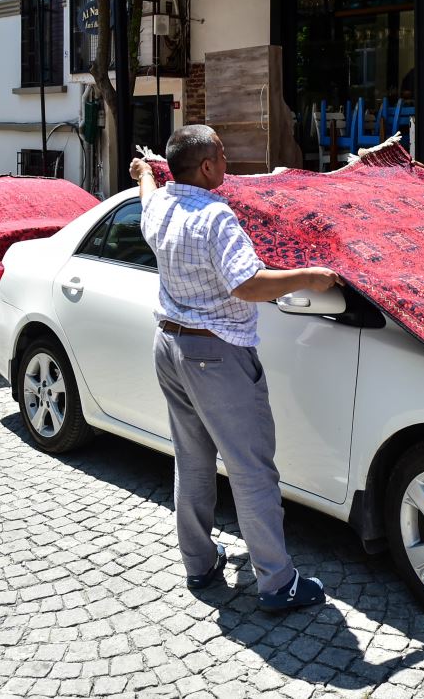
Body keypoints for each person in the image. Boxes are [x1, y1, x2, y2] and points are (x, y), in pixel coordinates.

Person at [129, 124, 341, 613]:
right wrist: (312, 275)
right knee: (251, 471)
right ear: (206, 167)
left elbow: (147, 193)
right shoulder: (215, 217)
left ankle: (200, 563)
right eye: (222, 155)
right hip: (217, 355)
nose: (228, 163)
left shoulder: (160, 205)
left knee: (192, 459)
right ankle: (277, 582)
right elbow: (246, 283)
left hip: (169, 347)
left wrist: (144, 172)